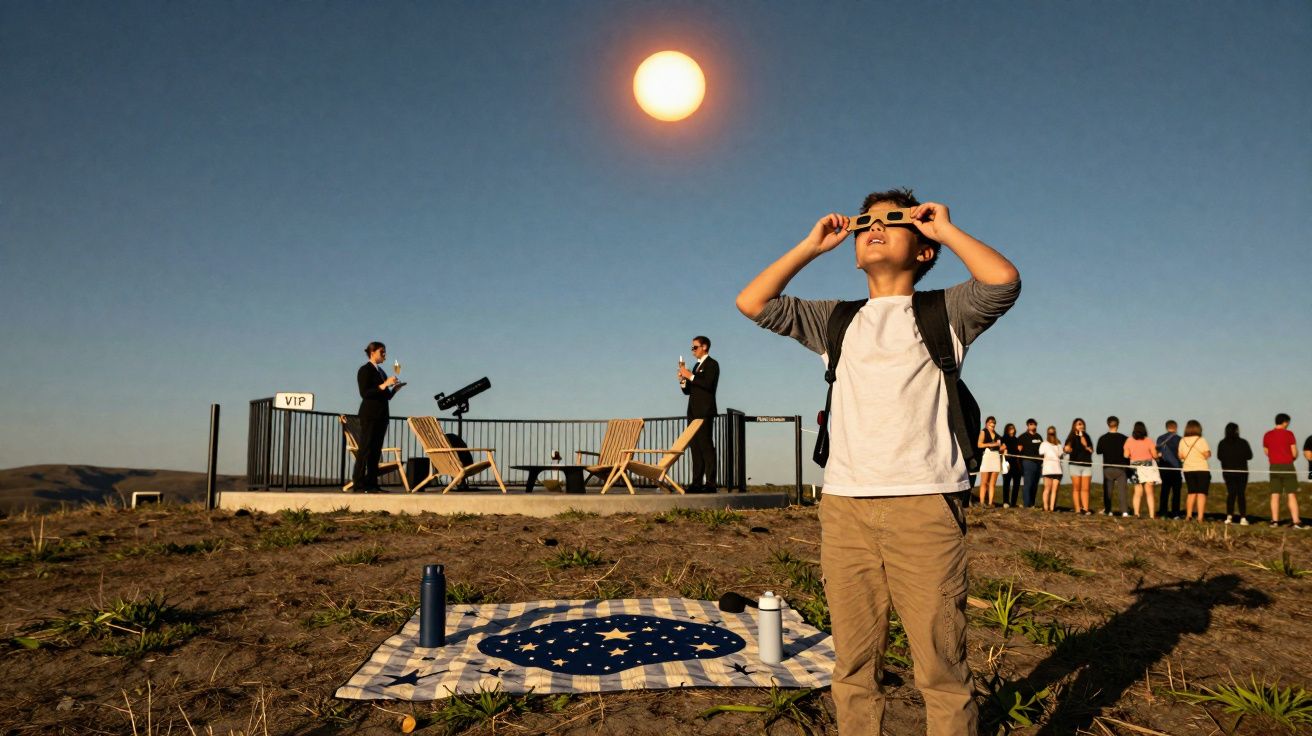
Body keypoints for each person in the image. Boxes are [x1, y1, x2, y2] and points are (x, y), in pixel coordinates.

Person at [736, 188, 1020, 736]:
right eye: (866, 220)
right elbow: (753, 303)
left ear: (923, 250)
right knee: (854, 665)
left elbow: (1002, 281)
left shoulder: (945, 312)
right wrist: (811, 247)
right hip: (845, 508)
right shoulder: (837, 321)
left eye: (894, 220)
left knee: (940, 667)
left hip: (925, 507)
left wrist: (946, 229)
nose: (874, 227)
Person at [353, 341, 404, 492]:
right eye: (382, 352)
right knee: (366, 449)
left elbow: (386, 396)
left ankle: (372, 484)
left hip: (381, 416)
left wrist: (394, 389)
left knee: (376, 451)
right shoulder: (365, 370)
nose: (384, 355)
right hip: (369, 415)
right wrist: (384, 384)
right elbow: (365, 393)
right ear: (372, 352)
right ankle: (359, 484)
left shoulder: (381, 372)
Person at [677, 336, 720, 492]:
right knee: (695, 447)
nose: (693, 350)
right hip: (693, 412)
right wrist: (683, 380)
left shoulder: (712, 364)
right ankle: (696, 483)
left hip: (705, 411)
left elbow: (707, 384)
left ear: (705, 347)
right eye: (692, 348)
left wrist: (690, 375)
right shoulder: (696, 366)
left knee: (706, 447)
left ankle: (710, 483)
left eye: (695, 347)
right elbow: (689, 391)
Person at [1262, 413, 1304, 528]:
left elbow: (1266, 451)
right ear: (1285, 422)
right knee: (1291, 494)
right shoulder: (1289, 434)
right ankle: (1296, 521)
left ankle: (1274, 521)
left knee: (1275, 494)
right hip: (1287, 466)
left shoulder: (1267, 435)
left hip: (1274, 466)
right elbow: (1294, 452)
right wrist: (1292, 458)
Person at [1217, 422, 1253, 525]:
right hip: (1242, 471)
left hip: (1228, 472)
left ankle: (1229, 516)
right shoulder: (1243, 442)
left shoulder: (1222, 443)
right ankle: (1243, 517)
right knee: (1241, 494)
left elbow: (1219, 456)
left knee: (1231, 493)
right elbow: (1250, 456)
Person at [1123, 421, 1160, 519]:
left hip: (1135, 468)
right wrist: (1159, 455)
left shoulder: (1129, 441)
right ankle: (1152, 515)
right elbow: (1154, 455)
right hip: (1148, 467)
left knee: (1137, 492)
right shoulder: (1148, 440)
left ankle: (1136, 513)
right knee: (1149, 492)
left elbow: (1126, 455)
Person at [1177, 420, 1212, 523]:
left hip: (1188, 469)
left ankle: (1188, 516)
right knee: (1201, 493)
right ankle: (1200, 517)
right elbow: (1207, 455)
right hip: (1201, 468)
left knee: (1191, 492)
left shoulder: (1182, 441)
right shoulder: (1201, 440)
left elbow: (1180, 456)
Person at [1096, 416, 1130, 516]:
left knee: (1108, 491)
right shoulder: (1124, 438)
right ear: (1118, 424)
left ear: (1108, 424)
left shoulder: (1103, 438)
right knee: (1122, 491)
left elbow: (1098, 451)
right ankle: (1124, 511)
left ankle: (1108, 510)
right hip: (1121, 468)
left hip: (1107, 467)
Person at [1063, 418, 1094, 515]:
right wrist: (1067, 449)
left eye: (1082, 424)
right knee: (1076, 488)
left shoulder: (1086, 436)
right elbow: (1066, 449)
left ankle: (1085, 508)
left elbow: (1090, 449)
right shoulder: (1071, 437)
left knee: (1086, 488)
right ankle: (1077, 509)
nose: (1081, 426)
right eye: (1079, 424)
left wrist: (1082, 437)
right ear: (1074, 426)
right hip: (1074, 465)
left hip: (1086, 465)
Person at [1156, 420, 1184, 519]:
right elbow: (1181, 455)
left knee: (1164, 490)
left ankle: (1163, 512)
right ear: (1176, 427)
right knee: (1176, 492)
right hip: (1176, 468)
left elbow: (1158, 454)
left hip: (1164, 467)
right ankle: (1175, 513)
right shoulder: (1180, 439)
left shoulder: (1160, 438)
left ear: (1166, 427)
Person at [976, 416, 1003, 507]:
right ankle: (982, 502)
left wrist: (1002, 448)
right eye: (991, 422)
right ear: (986, 423)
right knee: (984, 481)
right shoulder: (983, 432)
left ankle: (991, 502)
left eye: (994, 422)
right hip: (987, 456)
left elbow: (1000, 447)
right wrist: (990, 444)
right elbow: (979, 445)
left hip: (996, 456)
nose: (993, 423)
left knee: (992, 483)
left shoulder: (998, 435)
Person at [1019, 419, 1043, 508]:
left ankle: (1032, 503)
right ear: (1028, 426)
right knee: (1028, 483)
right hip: (1028, 462)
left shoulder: (1039, 437)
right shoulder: (1023, 437)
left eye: (1034, 424)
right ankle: (1026, 504)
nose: (1033, 426)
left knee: (1034, 484)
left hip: (1038, 463)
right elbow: (1018, 449)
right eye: (1031, 424)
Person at [1039, 425, 1064, 512]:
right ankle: (1045, 507)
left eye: (1053, 433)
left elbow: (1061, 455)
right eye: (1050, 433)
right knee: (1047, 488)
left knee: (1054, 490)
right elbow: (1041, 453)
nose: (1051, 434)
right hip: (1048, 469)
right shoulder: (1044, 443)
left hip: (1057, 469)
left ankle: (1052, 508)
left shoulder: (1058, 444)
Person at [1000, 423, 1024, 508]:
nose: (1012, 430)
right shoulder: (1003, 438)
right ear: (1007, 429)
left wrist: (1019, 449)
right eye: (1010, 428)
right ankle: (1006, 501)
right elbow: (1001, 449)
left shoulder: (1016, 439)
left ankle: (1013, 502)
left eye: (1013, 428)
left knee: (1017, 483)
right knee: (1006, 483)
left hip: (1016, 464)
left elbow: (1018, 451)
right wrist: (1004, 449)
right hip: (1007, 463)